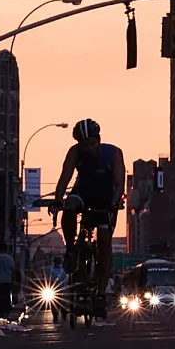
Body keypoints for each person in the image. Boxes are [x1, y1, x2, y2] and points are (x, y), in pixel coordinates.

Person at [51, 118, 124, 299]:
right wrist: (57, 201)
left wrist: (114, 204)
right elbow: (64, 179)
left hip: (106, 198)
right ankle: (70, 249)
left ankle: (100, 291)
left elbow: (119, 184)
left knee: (104, 241)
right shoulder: (74, 153)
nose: (88, 149)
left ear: (98, 140)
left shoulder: (113, 153)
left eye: (91, 144)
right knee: (70, 205)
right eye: (84, 145)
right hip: (83, 193)